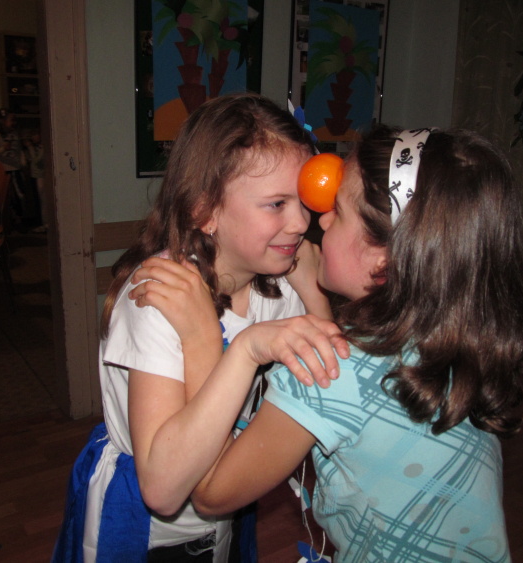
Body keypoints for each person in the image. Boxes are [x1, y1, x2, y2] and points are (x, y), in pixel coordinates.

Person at [135, 126, 523, 562]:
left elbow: (211, 493)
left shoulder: (331, 374)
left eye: (339, 212)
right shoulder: (456, 336)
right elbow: (354, 392)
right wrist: (315, 296)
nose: (318, 221)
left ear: (384, 258)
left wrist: (204, 340)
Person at [52, 93, 341, 563]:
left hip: (225, 509)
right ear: (205, 211)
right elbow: (163, 490)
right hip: (145, 529)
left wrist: (315, 295)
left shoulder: (281, 285)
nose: (300, 222)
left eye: (302, 201)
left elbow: (336, 393)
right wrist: (222, 341)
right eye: (276, 204)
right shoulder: (160, 298)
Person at [0, 108, 29, 229]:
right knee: (7, 197)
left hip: (16, 169)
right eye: (11, 120)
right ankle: (10, 221)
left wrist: (23, 163)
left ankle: (19, 219)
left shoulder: (15, 134)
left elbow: (19, 150)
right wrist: (4, 148)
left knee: (20, 195)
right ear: (2, 121)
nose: (13, 123)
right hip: (5, 170)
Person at [23, 129, 47, 233]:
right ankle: (42, 223)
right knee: (38, 201)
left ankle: (45, 224)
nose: (33, 137)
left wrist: (30, 148)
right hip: (35, 176)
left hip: (41, 177)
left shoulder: (42, 147)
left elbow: (36, 161)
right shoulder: (37, 147)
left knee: (43, 201)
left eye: (35, 134)